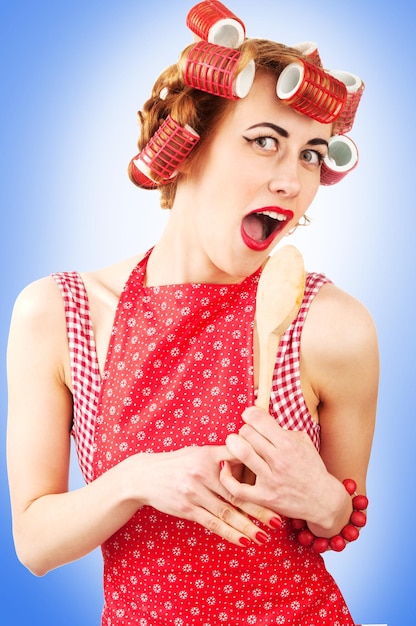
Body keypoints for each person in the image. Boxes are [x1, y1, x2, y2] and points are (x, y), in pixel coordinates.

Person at [6, 4, 379, 625]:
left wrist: (324, 502)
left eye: (312, 154)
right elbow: (35, 543)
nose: (292, 180)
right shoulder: (59, 314)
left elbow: (334, 519)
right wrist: (135, 479)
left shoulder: (328, 325)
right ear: (185, 149)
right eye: (265, 142)